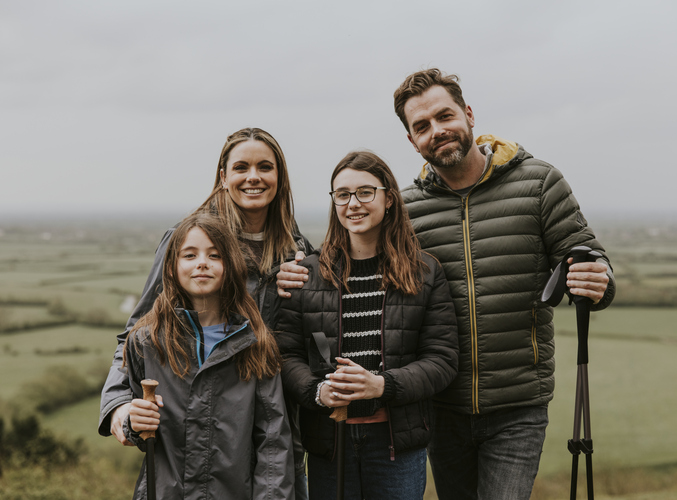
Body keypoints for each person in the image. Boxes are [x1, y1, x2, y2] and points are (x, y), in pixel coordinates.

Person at [277, 69, 616, 500]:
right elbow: (350, 260)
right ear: (412, 140)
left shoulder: (539, 183)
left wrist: (597, 280)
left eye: (445, 116)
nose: (437, 131)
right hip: (440, 406)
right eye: (422, 126)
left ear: (468, 114)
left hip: (517, 400)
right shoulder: (408, 208)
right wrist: (294, 272)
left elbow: (586, 258)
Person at [99, 127, 313, 499]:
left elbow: (307, 340)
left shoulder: (297, 251)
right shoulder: (187, 241)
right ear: (223, 176)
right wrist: (118, 407)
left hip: (270, 422)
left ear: (280, 177)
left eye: (265, 167)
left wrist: (307, 289)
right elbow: (138, 335)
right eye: (241, 167)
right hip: (197, 423)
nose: (253, 177)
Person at [275, 151, 459, 500]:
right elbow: (286, 353)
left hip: (396, 446)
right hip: (329, 441)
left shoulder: (423, 272)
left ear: (388, 198)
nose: (353, 203)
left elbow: (442, 359)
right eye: (342, 194)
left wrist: (381, 385)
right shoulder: (308, 274)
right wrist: (317, 392)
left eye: (365, 192)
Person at [124, 212, 294, 499]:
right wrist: (132, 423)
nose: (202, 262)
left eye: (214, 255)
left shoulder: (255, 342)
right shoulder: (147, 341)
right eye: (189, 255)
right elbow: (137, 422)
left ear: (231, 265)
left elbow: (273, 441)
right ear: (171, 267)